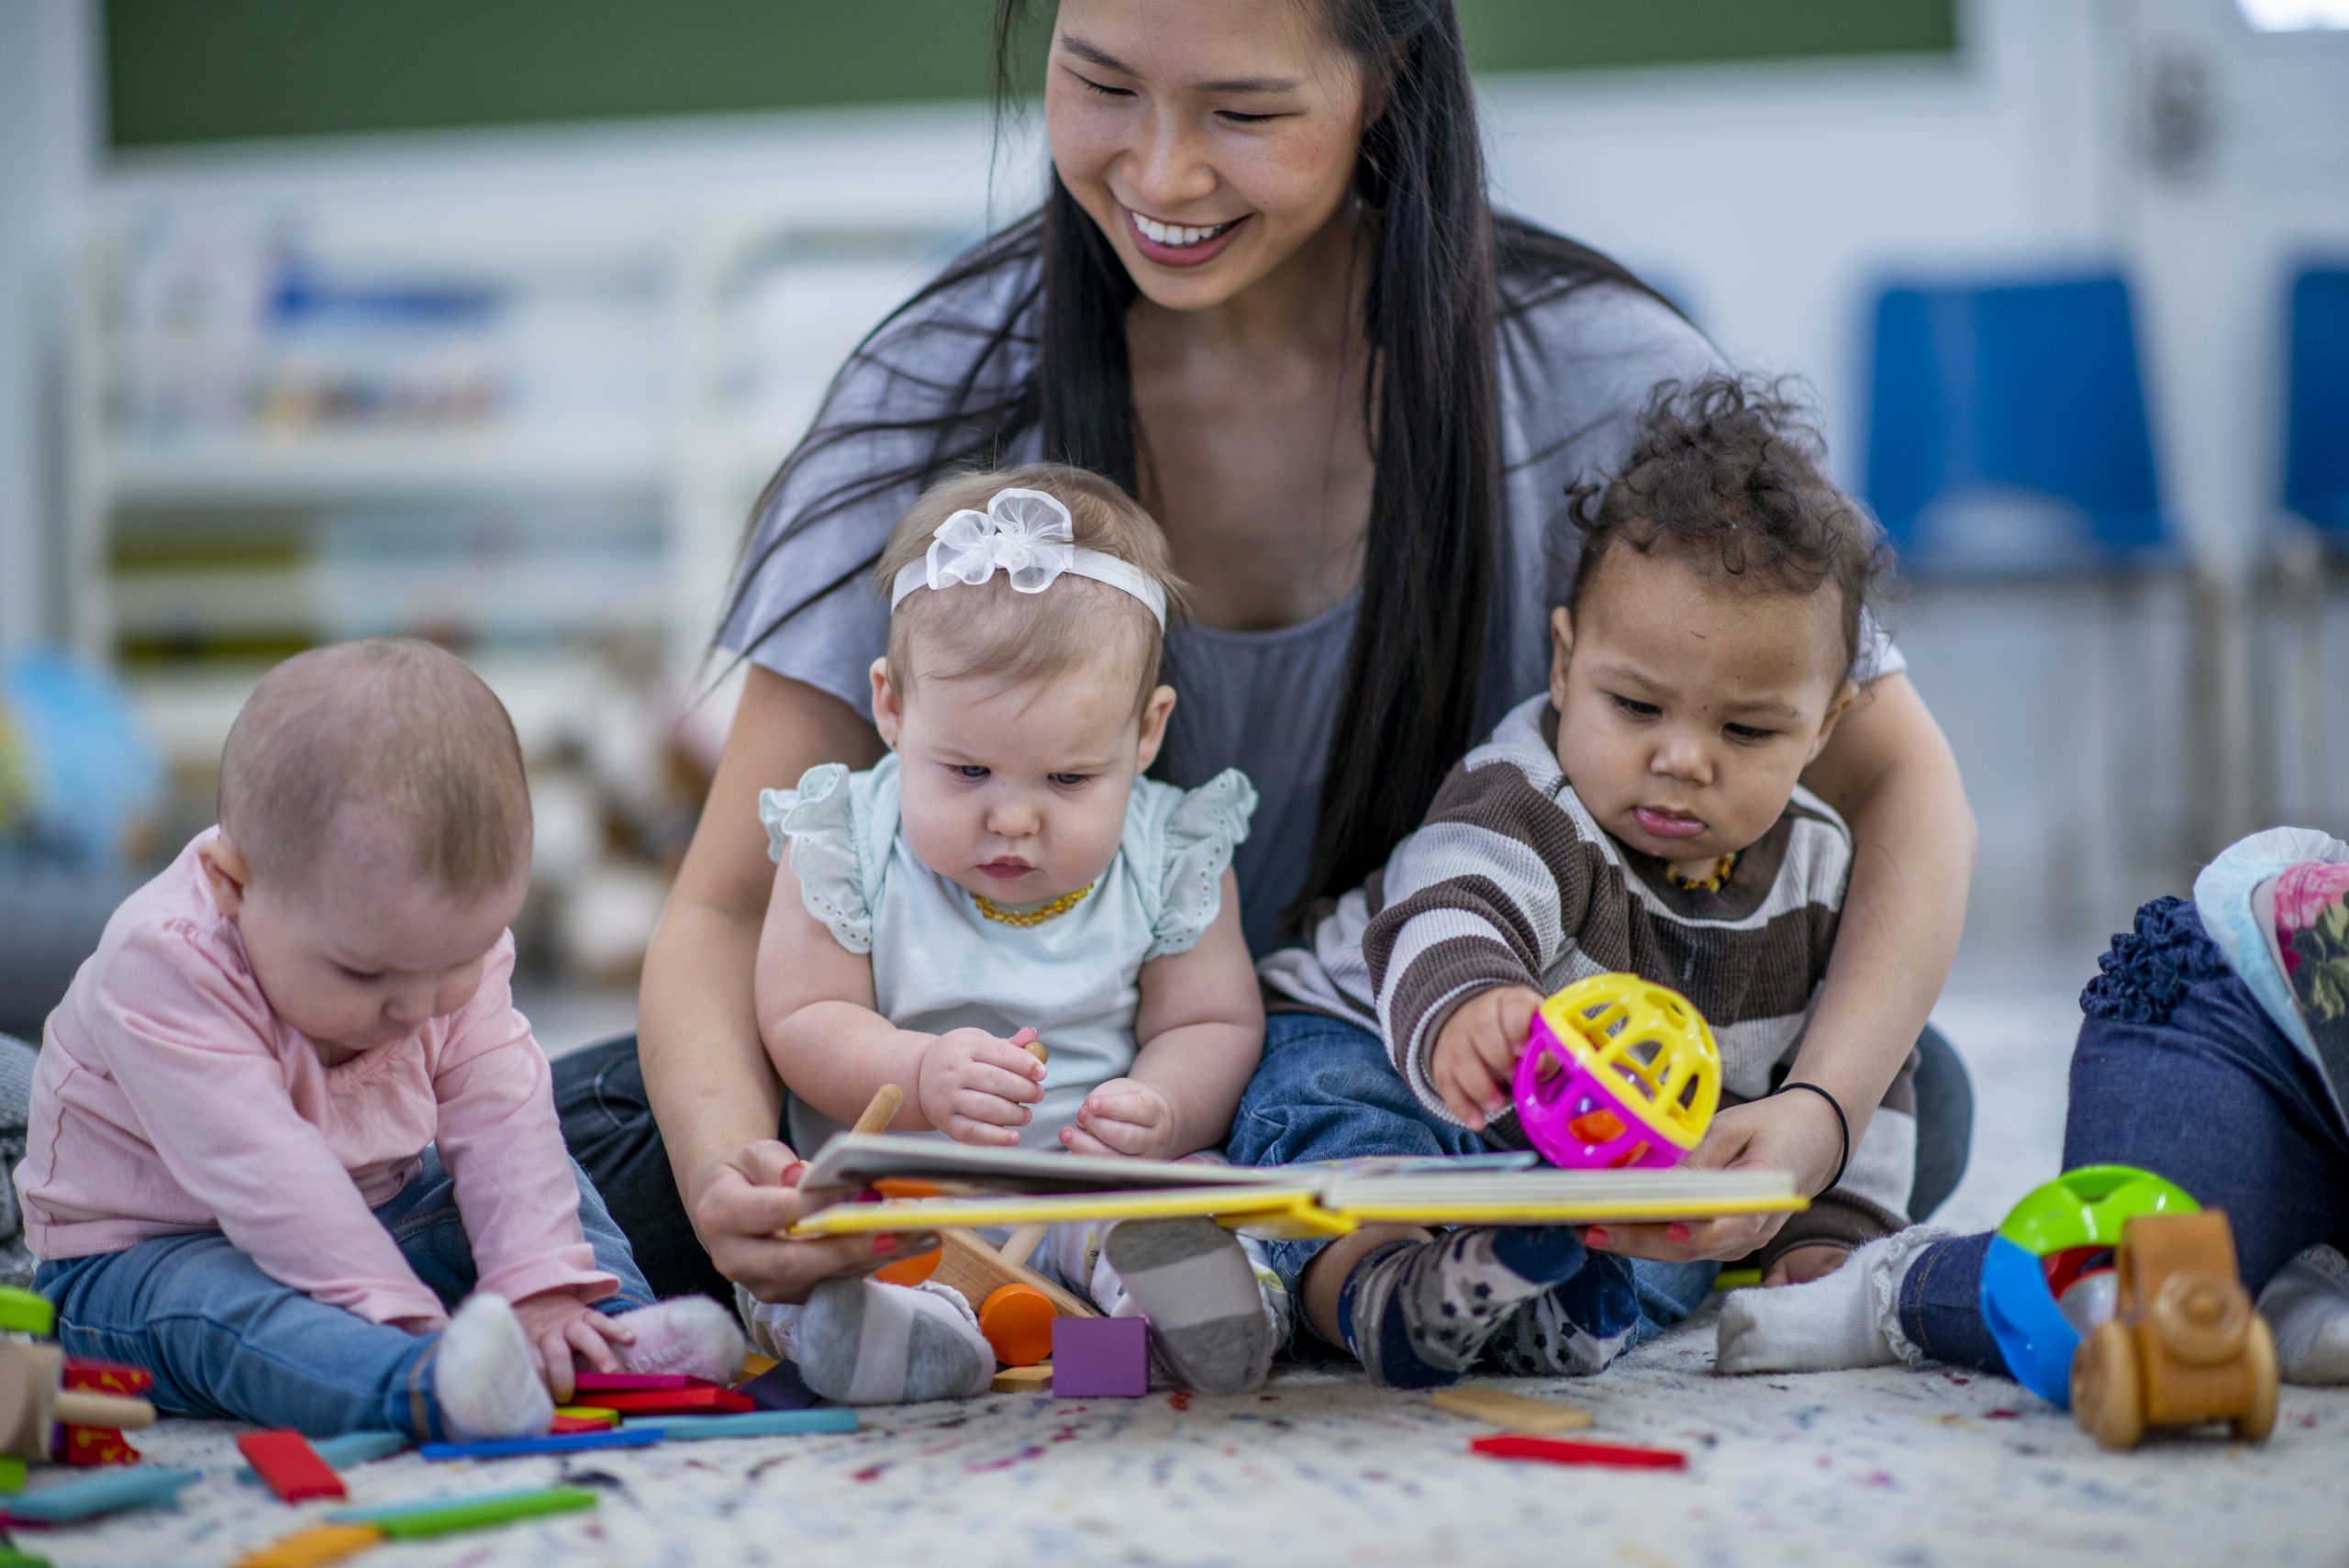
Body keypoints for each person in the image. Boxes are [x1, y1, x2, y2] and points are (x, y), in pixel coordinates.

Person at [556, 0, 1976, 1313]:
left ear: (1388, 86)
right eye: (1100, 83)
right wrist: (729, 1166)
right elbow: (730, 909)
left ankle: (1334, 1251)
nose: (1162, 175)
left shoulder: (1593, 378)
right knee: (594, 1150)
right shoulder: (940, 390)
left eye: (1242, 112)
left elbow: (1903, 784)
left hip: (1414, 1064)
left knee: (1905, 1092)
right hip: (1035, 1117)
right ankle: (1334, 1263)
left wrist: (1823, 1112)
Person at [1244, 375, 1916, 1385]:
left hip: (1588, 1164)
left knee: (1682, 1236)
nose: (1682, 758)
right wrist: (1469, 1003)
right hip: (1393, 1054)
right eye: (1636, 705)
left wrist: (1820, 1233)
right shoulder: (1527, 793)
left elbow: (1862, 1071)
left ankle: (1527, 1302)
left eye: (1745, 728)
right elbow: (1448, 897)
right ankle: (1378, 1287)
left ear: (1826, 725)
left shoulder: (1822, 869)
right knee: (1330, 1118)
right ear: (1564, 666)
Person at [14, 640, 742, 1440]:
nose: (418, 1007)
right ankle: (426, 1383)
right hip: (144, 1262)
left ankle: (607, 1334)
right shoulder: (160, 964)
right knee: (231, 1313)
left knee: (540, 1164)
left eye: (459, 964)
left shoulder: (430, 950)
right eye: (367, 976)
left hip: (376, 1208)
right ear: (232, 884)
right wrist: (405, 1322)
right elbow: (275, 1182)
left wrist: (538, 1284)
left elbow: (501, 1110)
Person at [741, 465, 1277, 1402]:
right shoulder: (845, 837)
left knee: (1181, 1199)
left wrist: (1157, 1105)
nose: (1014, 819)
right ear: (893, 708)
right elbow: (801, 1012)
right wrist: (916, 1074)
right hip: (907, 1192)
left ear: (1145, 732)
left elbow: (1213, 1022)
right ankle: (909, 1339)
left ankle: (1190, 1313)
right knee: (808, 1238)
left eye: (1069, 780)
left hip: (1083, 1185)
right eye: (969, 769)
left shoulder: (1169, 848)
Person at [1717, 828, 2349, 1388]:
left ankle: (2297, 1281)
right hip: (2236, 1014)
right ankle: (1899, 1286)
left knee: (2193, 1292)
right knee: (2118, 1290)